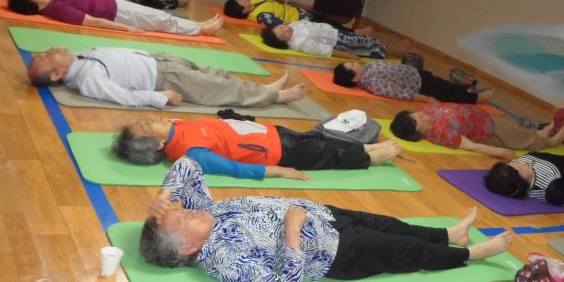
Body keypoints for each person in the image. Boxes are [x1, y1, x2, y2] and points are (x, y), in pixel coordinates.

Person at [139, 157, 514, 282]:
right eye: (181, 220)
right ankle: (472, 254)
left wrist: (164, 195)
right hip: (336, 252)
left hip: (326, 216)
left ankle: (450, 235)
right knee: (407, 252)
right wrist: (292, 232)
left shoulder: (203, 214)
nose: (187, 211)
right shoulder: (223, 259)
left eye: (179, 211)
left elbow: (188, 164)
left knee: (394, 226)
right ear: (187, 248)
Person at [114, 115, 403, 179]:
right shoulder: (190, 153)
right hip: (279, 153)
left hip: (273, 133)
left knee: (319, 141)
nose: (150, 118)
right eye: (147, 125)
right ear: (160, 144)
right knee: (327, 155)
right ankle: (369, 157)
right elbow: (234, 168)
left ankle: (365, 150)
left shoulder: (177, 126)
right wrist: (281, 171)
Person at [26, 47, 306, 108]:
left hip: (157, 61)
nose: (52, 49)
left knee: (213, 74)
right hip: (162, 79)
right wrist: (159, 97)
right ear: (57, 73)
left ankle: (264, 87)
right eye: (49, 56)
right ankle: (275, 96)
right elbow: (123, 96)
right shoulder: (87, 79)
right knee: (217, 88)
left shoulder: (79, 59)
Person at [6, 0, 223, 36]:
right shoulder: (58, 9)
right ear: (33, 6)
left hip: (115, 3)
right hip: (118, 14)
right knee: (161, 20)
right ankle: (201, 30)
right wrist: (126, 28)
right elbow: (92, 22)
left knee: (161, 17)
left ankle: (199, 25)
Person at [390, 103, 564, 160]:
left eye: (419, 115)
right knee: (523, 140)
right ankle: (550, 141)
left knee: (519, 130)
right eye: (422, 123)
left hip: (484, 117)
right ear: (419, 134)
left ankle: (542, 133)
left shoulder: (425, 110)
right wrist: (502, 153)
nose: (424, 117)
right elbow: (471, 146)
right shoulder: (441, 135)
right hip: (489, 131)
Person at [333, 61, 495, 104]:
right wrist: (426, 99)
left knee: (445, 86)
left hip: (416, 75)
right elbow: (399, 93)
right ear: (355, 78)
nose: (356, 64)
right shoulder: (372, 82)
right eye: (353, 66)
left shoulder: (367, 68)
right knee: (449, 93)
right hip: (420, 86)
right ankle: (475, 98)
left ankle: (464, 88)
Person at [223, 0, 372, 34]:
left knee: (324, 19)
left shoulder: (255, 1)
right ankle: (354, 32)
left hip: (297, 12)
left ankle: (345, 26)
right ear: (243, 10)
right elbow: (277, 23)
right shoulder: (260, 14)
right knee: (325, 26)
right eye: (240, 1)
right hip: (300, 19)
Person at [261, 21, 391, 59]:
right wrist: (347, 55)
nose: (285, 30)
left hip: (336, 33)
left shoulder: (293, 25)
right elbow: (323, 50)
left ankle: (384, 46)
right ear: (283, 42)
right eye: (283, 34)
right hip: (339, 42)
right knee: (366, 46)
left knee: (364, 39)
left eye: (281, 27)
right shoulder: (300, 42)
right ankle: (385, 50)